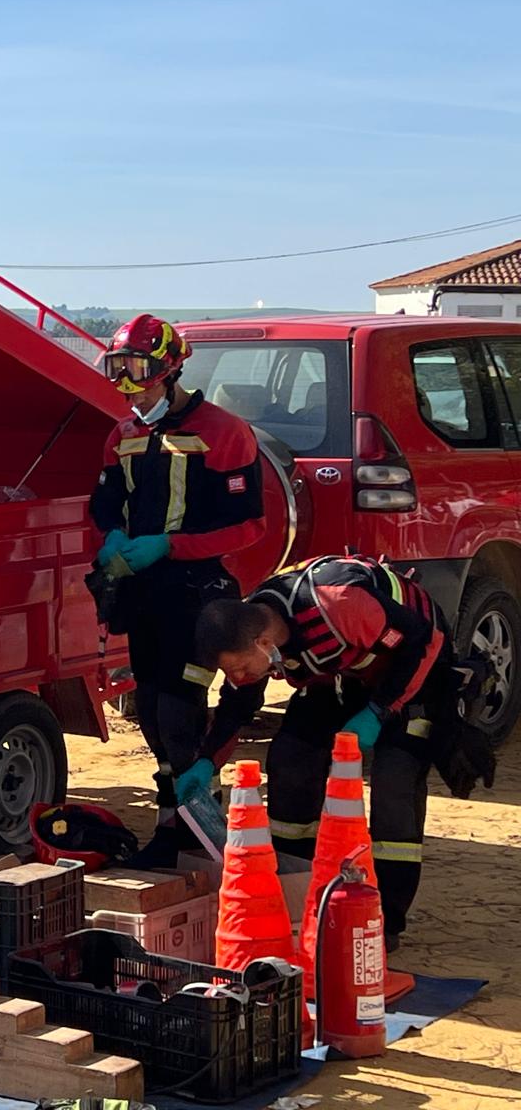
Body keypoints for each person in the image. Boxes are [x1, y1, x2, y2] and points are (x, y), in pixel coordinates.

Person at [196, 555, 497, 949]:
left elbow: (422, 641)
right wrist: (207, 761)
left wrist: (378, 711)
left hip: (414, 671)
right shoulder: (257, 622)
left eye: (238, 667)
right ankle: (298, 890)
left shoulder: (340, 604)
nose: (238, 677)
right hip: (345, 673)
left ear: (264, 644)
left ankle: (384, 920)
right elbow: (238, 703)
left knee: (395, 781)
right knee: (290, 759)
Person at [89, 314, 268, 857]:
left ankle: (195, 832)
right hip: (143, 592)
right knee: (149, 707)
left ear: (169, 371)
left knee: (179, 709)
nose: (130, 388)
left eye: (139, 373)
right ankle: (175, 823)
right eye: (119, 372)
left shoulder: (223, 432)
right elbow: (105, 502)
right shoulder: (122, 435)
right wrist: (112, 536)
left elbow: (248, 525)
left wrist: (170, 546)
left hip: (197, 592)